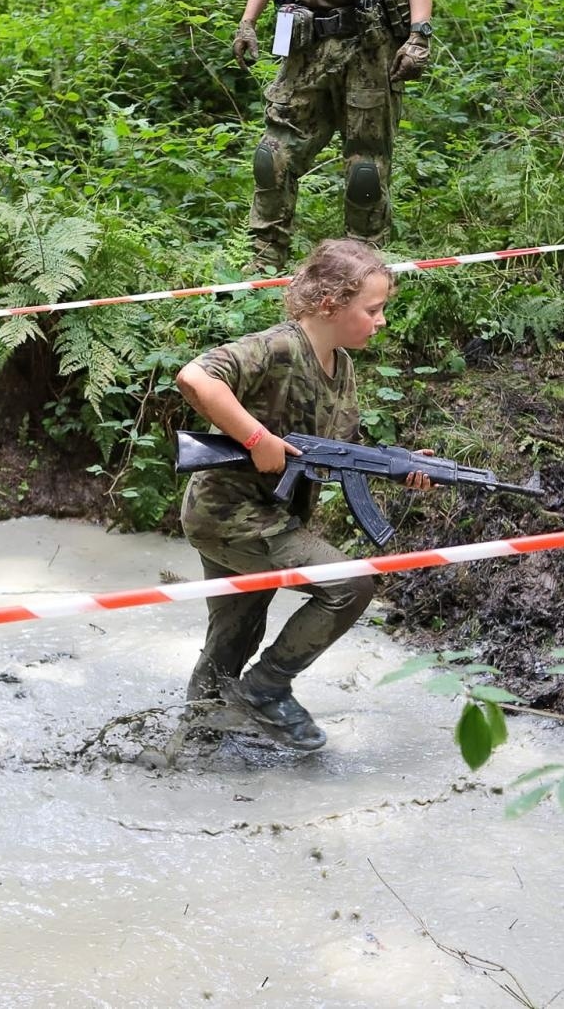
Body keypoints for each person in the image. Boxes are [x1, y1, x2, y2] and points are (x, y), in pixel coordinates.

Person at [175, 239, 431, 751]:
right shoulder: (279, 348)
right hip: (232, 515)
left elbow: (337, 449)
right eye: (373, 310)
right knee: (351, 584)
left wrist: (398, 466)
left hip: (257, 515)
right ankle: (266, 689)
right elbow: (195, 377)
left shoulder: (343, 367)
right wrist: (257, 438)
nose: (381, 321)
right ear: (331, 304)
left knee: (235, 636)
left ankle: (194, 745)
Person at [232, 0, 434, 269]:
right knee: (273, 156)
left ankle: (362, 271)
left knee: (365, 170)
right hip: (306, 41)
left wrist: (419, 36)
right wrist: (248, 21)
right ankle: (263, 263)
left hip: (369, 42)